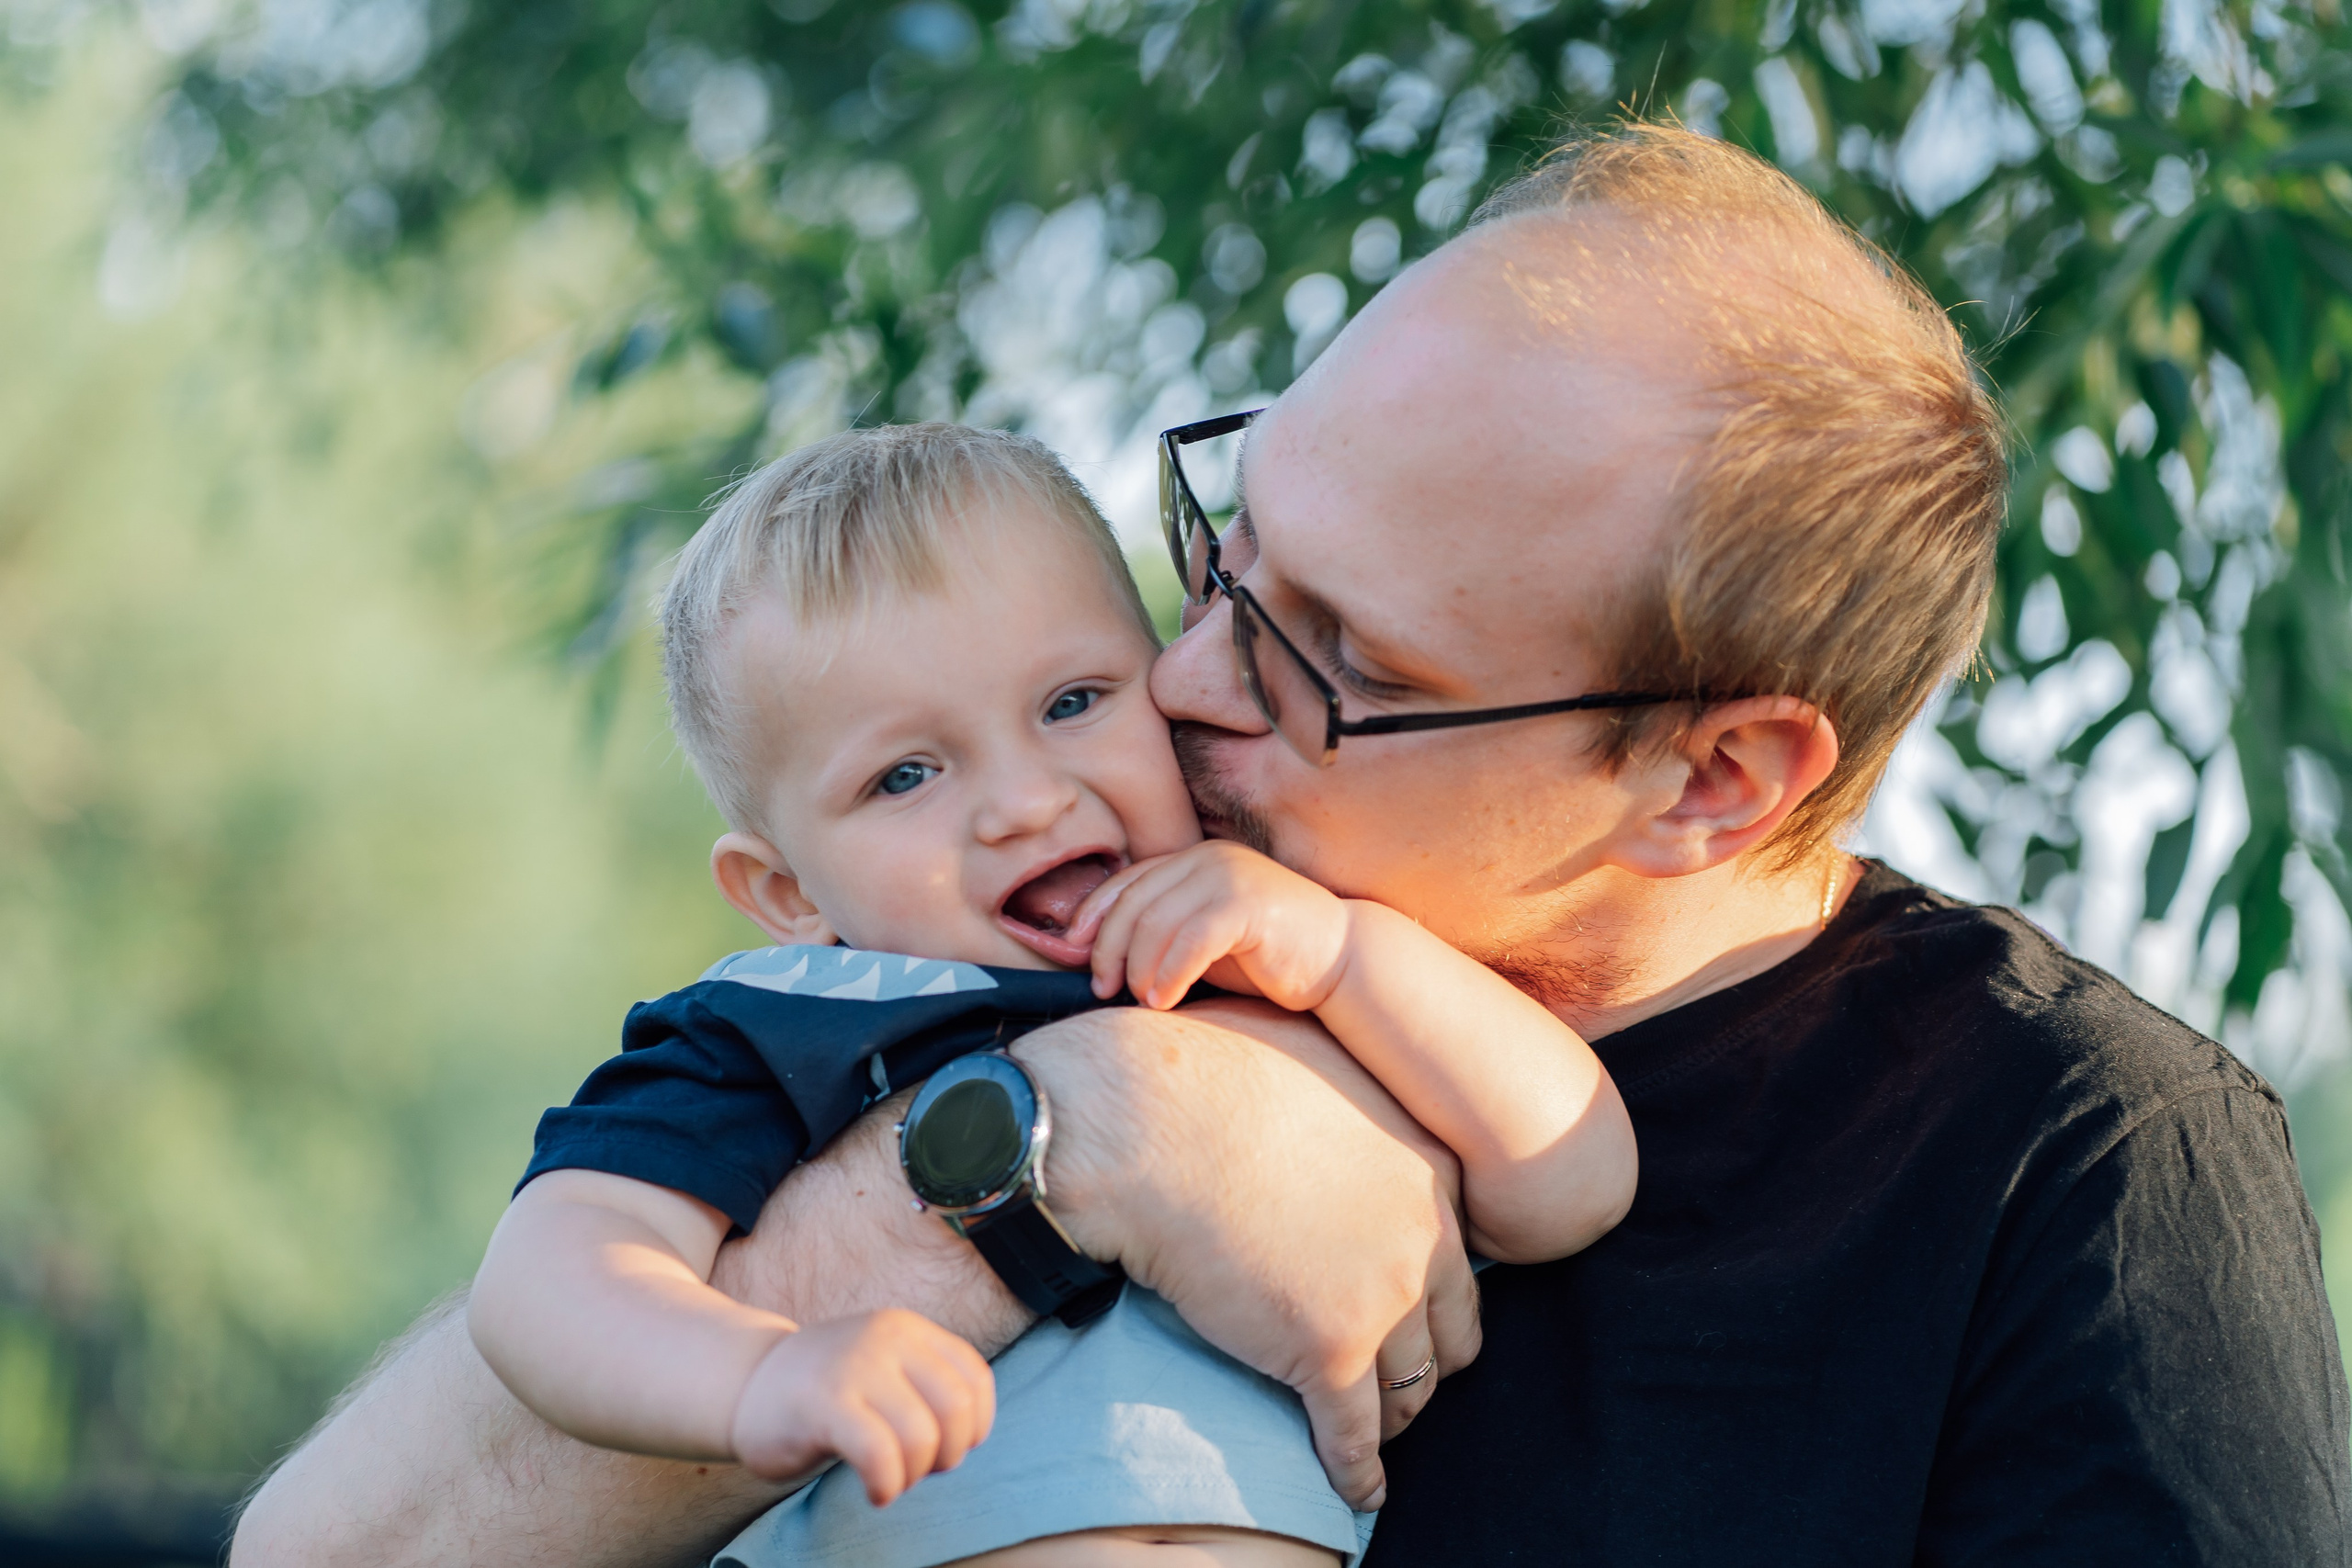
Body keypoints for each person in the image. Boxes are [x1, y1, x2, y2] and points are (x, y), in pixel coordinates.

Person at [231, 125, 2350, 1568]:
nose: (1174, 686)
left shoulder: (2071, 1164)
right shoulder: (1030, 934)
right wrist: (1054, 1135)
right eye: (1221, 546)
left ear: (1710, 774)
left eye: (1331, 650)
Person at [463, 423, 1634, 1567]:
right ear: (783, 892)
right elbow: (550, 1277)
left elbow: (1570, 1182)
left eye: (1072, 702)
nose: (1023, 801)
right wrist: (754, 1375)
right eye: (904, 775)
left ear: (1169, 688)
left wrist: (1337, 955)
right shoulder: (795, 1021)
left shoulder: (1285, 948)